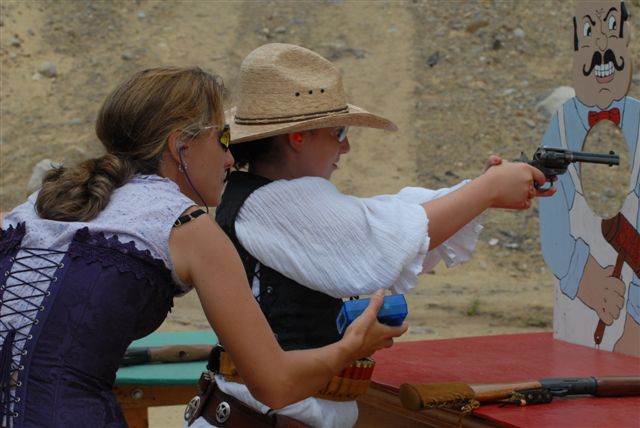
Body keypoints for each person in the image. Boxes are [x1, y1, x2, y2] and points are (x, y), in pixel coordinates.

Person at [0, 66, 407, 428]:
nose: (231, 159)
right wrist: (354, 345)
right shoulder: (187, 226)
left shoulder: (34, 208)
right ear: (182, 146)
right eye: (223, 139)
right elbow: (277, 385)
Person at [187, 43, 555, 428]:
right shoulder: (272, 202)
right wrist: (486, 190)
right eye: (338, 131)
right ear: (298, 137)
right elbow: (377, 242)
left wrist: (479, 190)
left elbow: (383, 218)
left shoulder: (270, 197)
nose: (345, 146)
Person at [538, 0, 639, 355]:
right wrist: (583, 276)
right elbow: (552, 222)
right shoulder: (563, 123)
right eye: (589, 32)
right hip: (579, 331)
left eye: (612, 29)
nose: (601, 47)